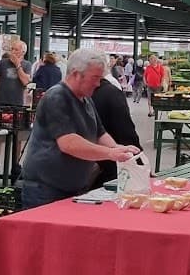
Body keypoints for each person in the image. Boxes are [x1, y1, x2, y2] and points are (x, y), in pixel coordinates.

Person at [18, 48, 138, 208]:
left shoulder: (86, 99)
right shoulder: (56, 97)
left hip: (72, 188)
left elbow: (100, 133)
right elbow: (68, 143)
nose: (98, 83)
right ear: (76, 74)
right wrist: (110, 154)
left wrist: (117, 148)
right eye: (95, 78)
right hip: (46, 190)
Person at [92, 60, 141, 185]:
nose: (96, 84)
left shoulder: (83, 96)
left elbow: (99, 132)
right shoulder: (112, 92)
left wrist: (114, 149)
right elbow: (125, 128)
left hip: (98, 162)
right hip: (110, 166)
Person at [0, 37, 30, 112]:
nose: (13, 52)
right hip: (0, 101)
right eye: (12, 49)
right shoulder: (2, 63)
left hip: (17, 102)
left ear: (23, 52)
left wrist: (17, 64)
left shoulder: (27, 65)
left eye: (16, 50)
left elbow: (25, 82)